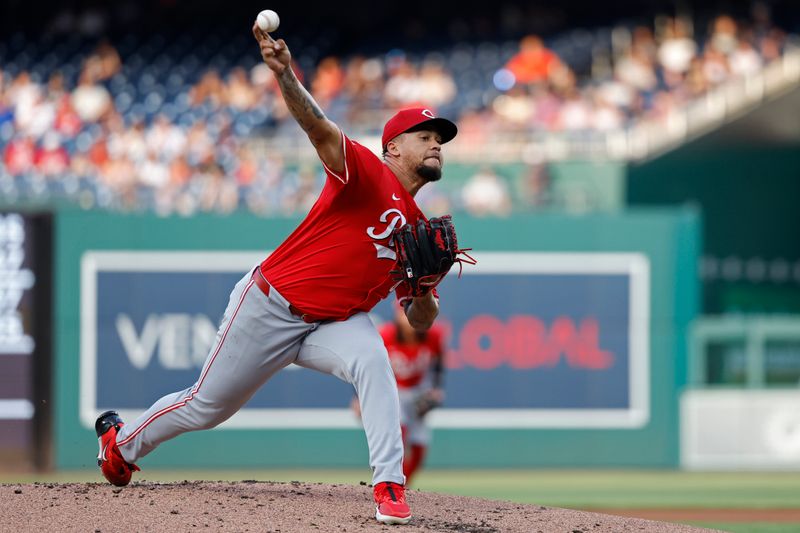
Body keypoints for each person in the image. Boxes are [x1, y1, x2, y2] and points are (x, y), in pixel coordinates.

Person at [93, 19, 459, 526]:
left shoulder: (421, 232)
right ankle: (120, 444)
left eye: (441, 138)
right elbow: (318, 127)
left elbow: (419, 321)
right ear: (394, 146)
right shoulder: (365, 171)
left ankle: (389, 486)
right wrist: (286, 75)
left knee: (375, 362)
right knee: (208, 407)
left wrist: (422, 289)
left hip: (332, 324)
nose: (437, 143)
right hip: (271, 304)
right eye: (426, 136)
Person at [353, 304, 445, 486]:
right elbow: (365, 365)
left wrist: (436, 388)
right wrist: (358, 398)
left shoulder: (433, 336)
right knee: (398, 433)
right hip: (393, 390)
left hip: (418, 391)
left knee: (419, 448)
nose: (409, 320)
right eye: (405, 314)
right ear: (398, 315)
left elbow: (438, 365)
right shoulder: (387, 335)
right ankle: (389, 482)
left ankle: (403, 487)